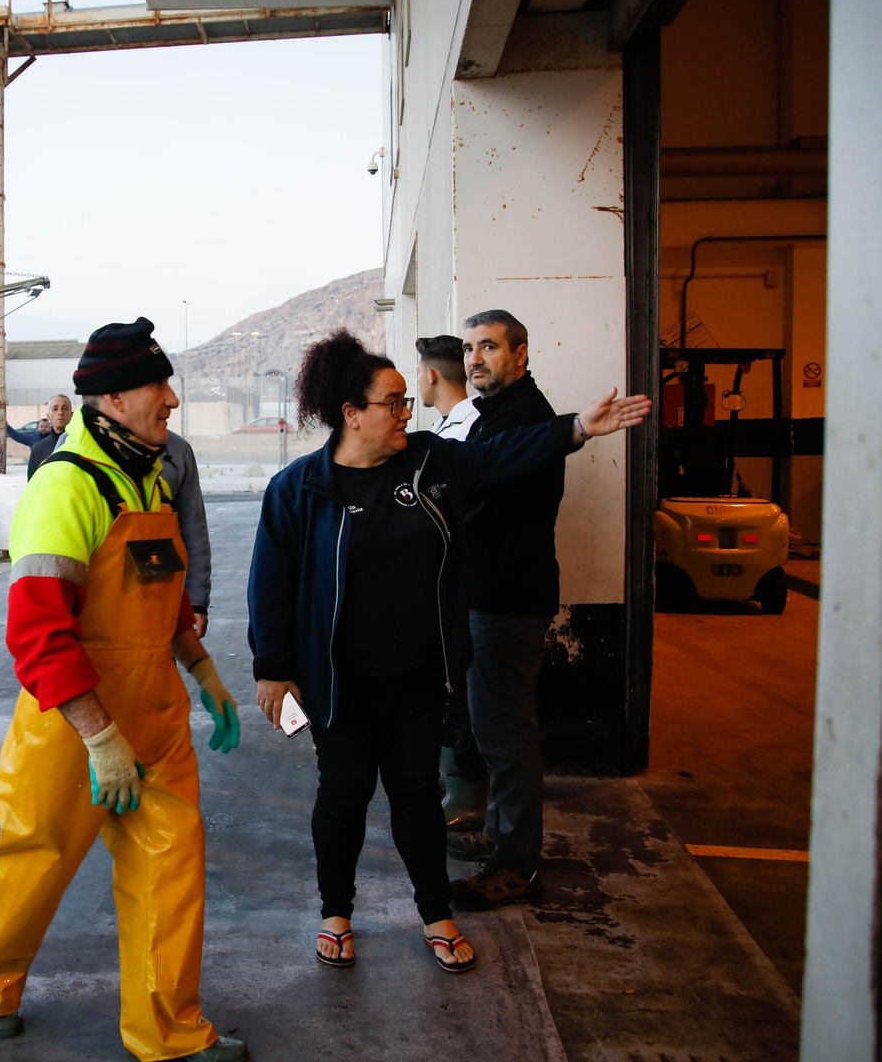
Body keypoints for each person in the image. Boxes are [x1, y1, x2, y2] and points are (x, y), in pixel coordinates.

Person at [246, 329, 648, 974]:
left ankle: (435, 913)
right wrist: (273, 670)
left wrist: (577, 428)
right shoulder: (299, 489)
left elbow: (503, 457)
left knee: (415, 798)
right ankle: (336, 913)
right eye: (393, 403)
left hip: (416, 678)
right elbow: (270, 585)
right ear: (352, 413)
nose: (409, 413)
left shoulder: (430, 463)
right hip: (337, 683)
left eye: (408, 401)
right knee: (342, 797)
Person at [0, 317, 248, 1062]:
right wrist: (101, 737)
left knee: (171, 861)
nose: (171, 399)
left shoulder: (148, 473)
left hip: (157, 716)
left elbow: (160, 597)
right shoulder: (67, 486)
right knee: (38, 851)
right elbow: (37, 635)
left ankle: (167, 1029)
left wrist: (203, 672)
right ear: (111, 398)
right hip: (74, 720)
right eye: (157, 385)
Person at [447, 309, 579, 910]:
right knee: (495, 728)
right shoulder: (494, 413)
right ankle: (503, 840)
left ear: (520, 355)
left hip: (505, 600)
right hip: (490, 594)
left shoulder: (523, 416)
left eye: (490, 347)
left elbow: (474, 490)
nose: (475, 358)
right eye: (470, 347)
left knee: (505, 735)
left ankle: (519, 866)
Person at [415, 334, 488, 832]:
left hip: (464, 580)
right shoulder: (443, 426)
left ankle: (466, 795)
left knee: (463, 689)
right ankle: (447, 782)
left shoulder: (471, 429)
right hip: (436, 583)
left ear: (432, 376)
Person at [159, 429, 212, 637]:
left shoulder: (177, 450)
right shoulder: (71, 446)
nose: (171, 402)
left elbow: (194, 529)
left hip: (157, 607)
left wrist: (197, 601)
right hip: (93, 615)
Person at [417, 334, 479, 441]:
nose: (417, 380)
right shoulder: (444, 424)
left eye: (418, 372)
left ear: (430, 375)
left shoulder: (473, 427)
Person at [26, 393, 73, 478]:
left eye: (65, 408)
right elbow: (32, 485)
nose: (60, 412)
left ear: (71, 415)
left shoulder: (80, 445)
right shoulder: (38, 449)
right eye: (55, 409)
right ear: (48, 416)